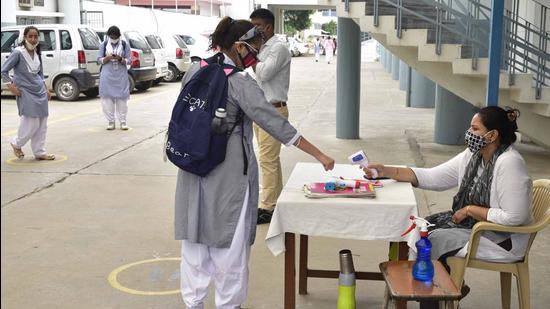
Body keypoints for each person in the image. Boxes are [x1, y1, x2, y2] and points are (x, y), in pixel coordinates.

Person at [175, 17, 335, 309]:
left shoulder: (196, 69)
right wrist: (319, 154)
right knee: (230, 252)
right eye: (253, 48)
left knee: (195, 244)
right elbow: (276, 124)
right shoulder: (239, 82)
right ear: (238, 46)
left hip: (192, 169)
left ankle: (193, 303)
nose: (256, 55)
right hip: (229, 174)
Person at [363, 107, 532, 306]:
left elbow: (515, 217)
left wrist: (470, 210)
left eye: (474, 128)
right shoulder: (473, 155)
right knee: (423, 229)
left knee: (431, 242)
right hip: (474, 228)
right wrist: (386, 170)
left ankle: (434, 299)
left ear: (492, 135)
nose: (469, 133)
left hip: (500, 238)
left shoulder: (509, 163)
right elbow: (433, 177)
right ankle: (445, 291)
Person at [249, 8, 293, 224]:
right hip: (262, 109)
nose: (253, 29)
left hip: (274, 110)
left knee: (267, 160)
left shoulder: (279, 48)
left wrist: (250, 58)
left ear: (267, 26)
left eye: (256, 25)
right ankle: (275, 201)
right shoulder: (262, 48)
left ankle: (267, 206)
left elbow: (264, 74)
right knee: (269, 160)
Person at [1, 26, 55, 161]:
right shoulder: (18, 52)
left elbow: (40, 73)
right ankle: (16, 143)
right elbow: (3, 70)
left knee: (42, 123)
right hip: (25, 92)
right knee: (31, 122)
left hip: (40, 91)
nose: (33, 39)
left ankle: (39, 152)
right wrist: (11, 86)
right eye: (30, 36)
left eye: (36, 36)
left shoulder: (37, 52)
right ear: (24, 37)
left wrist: (46, 88)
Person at [97, 26, 131, 130]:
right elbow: (98, 59)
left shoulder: (125, 45)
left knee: (122, 99)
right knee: (107, 99)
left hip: (120, 75)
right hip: (107, 74)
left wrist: (120, 58)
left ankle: (123, 121)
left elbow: (129, 60)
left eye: (115, 36)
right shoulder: (103, 45)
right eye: (111, 36)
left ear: (119, 36)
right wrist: (107, 58)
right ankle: (111, 121)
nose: (113, 38)